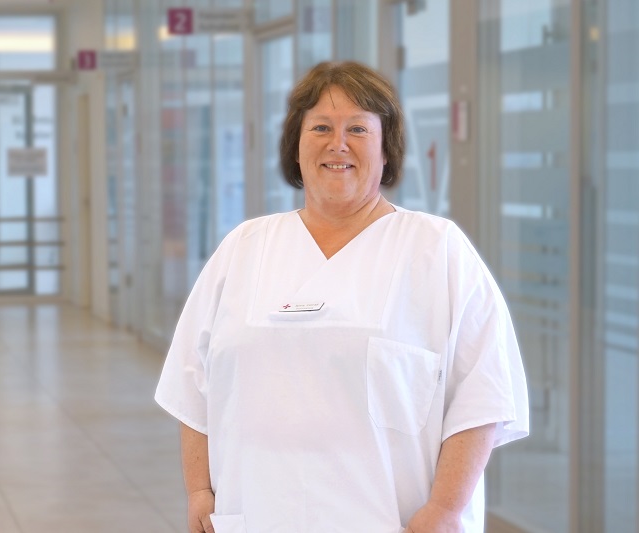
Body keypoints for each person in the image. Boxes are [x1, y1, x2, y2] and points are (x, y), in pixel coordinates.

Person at [155, 61, 529, 533]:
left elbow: (485, 395)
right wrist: (199, 491)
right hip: (258, 515)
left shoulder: (437, 249)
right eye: (320, 127)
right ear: (296, 146)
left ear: (386, 149)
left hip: (389, 520)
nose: (338, 144)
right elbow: (194, 385)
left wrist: (446, 510)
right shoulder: (245, 247)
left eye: (357, 128)